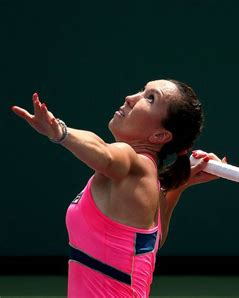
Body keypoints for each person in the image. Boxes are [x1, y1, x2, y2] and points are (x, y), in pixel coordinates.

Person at [11, 79, 225, 297]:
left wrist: (59, 131)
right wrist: (180, 184)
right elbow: (151, 245)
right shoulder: (149, 185)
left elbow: (105, 154)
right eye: (143, 90)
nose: (131, 98)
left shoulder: (134, 163)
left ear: (160, 136)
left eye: (150, 98)